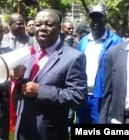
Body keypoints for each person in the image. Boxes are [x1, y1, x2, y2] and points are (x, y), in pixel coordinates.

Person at [14, 9, 87, 140]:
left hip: (49, 132)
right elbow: (23, 88)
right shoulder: (28, 54)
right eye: (38, 24)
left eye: (48, 24)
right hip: (23, 127)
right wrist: (17, 78)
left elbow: (78, 96)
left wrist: (41, 91)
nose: (42, 28)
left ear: (59, 29)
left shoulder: (73, 57)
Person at [75, 2, 122, 124]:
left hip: (101, 96)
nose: (95, 21)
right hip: (83, 94)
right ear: (88, 20)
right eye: (92, 18)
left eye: (99, 17)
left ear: (105, 19)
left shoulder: (116, 41)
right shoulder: (84, 42)